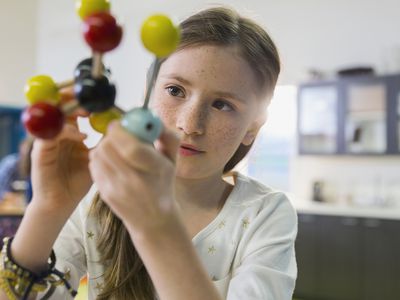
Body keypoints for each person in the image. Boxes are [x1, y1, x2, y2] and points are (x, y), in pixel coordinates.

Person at [0, 6, 297, 300]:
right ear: (150, 90)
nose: (189, 125)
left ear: (253, 127)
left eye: (222, 105)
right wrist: (47, 208)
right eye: (176, 91)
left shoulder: (264, 214)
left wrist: (156, 226)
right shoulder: (97, 198)